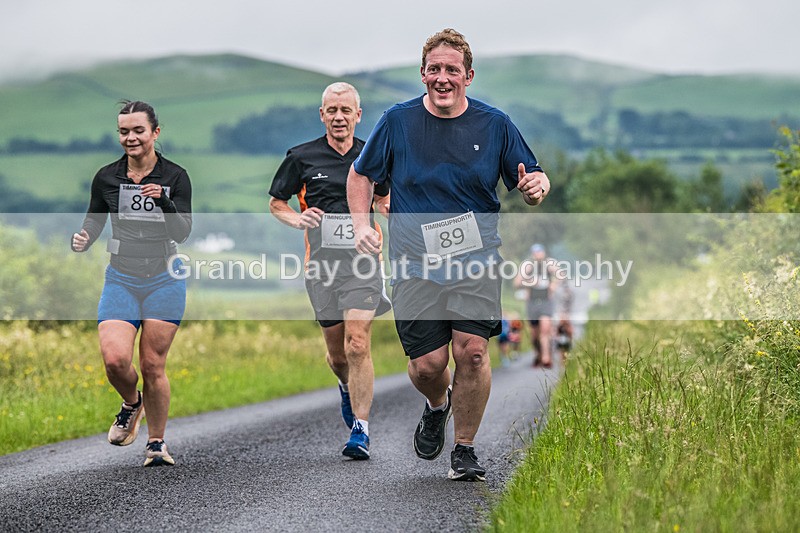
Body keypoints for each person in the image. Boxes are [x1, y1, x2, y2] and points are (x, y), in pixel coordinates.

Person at [347, 29, 550, 481]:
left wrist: (537, 187)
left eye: (451, 70)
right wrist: (363, 224)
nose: (442, 78)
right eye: (434, 69)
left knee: (473, 353)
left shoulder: (494, 124)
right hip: (414, 263)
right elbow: (360, 176)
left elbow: (531, 177)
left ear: (469, 76)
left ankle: (465, 448)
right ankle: (438, 405)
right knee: (428, 366)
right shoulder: (397, 122)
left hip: (475, 260)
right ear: (423, 74)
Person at [269, 82, 391, 460]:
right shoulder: (301, 156)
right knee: (338, 356)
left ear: (358, 115)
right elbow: (276, 203)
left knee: (358, 341)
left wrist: (386, 221)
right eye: (332, 110)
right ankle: (344, 385)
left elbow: (385, 200)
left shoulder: (373, 156)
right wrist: (297, 218)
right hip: (320, 267)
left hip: (363, 265)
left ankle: (361, 429)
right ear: (322, 115)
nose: (339, 117)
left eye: (346, 110)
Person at [71, 100, 192, 467]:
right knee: (114, 359)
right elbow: (94, 219)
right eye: (124, 131)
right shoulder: (107, 177)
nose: (131, 137)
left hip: (164, 278)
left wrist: (164, 203)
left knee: (153, 364)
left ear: (155, 132)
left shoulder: (176, 176)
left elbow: (183, 232)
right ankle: (131, 403)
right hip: (121, 277)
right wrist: (85, 237)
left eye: (138, 130)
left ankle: (156, 444)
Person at [514, 244, 559, 368]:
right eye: (535, 252)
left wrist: (554, 284)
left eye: (540, 252)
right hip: (532, 302)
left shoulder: (549, 264)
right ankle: (538, 354)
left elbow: (561, 275)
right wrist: (529, 281)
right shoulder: (528, 266)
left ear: (544, 252)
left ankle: (546, 357)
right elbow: (517, 283)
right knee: (535, 334)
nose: (538, 254)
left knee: (545, 329)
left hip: (546, 301)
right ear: (532, 254)